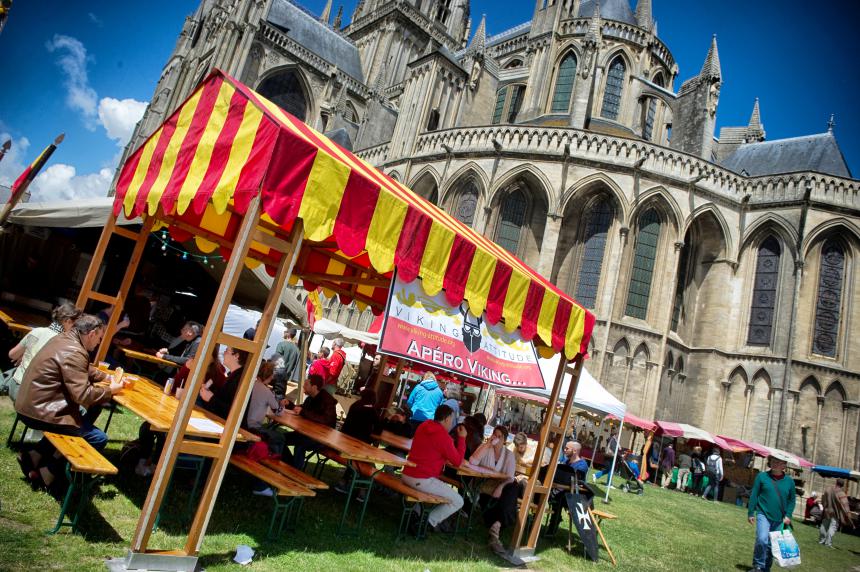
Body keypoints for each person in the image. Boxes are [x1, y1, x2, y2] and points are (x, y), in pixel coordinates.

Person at [15, 314, 127, 488]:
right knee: (98, 437)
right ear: (91, 333)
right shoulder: (75, 351)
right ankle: (49, 473)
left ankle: (34, 455)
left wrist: (106, 376)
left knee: (92, 412)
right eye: (99, 337)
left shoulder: (65, 339)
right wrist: (110, 390)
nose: (99, 342)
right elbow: (83, 395)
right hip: (41, 411)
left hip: (31, 404)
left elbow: (83, 368)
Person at [402, 404, 467, 534]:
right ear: (447, 419)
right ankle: (427, 522)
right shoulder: (444, 436)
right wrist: (462, 438)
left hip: (407, 473)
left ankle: (415, 516)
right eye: (452, 420)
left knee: (430, 490)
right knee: (458, 501)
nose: (452, 424)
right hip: (422, 478)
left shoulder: (424, 425)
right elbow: (458, 462)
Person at [6, 303, 81, 402]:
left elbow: (12, 354)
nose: (77, 329)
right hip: (32, 394)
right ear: (67, 321)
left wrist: (25, 354)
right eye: (75, 325)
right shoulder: (62, 342)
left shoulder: (37, 331)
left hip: (14, 386)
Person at [470, 425, 517, 553]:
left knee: (512, 487)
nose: (496, 438)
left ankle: (496, 526)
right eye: (494, 435)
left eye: (499, 436)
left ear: (504, 440)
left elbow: (510, 477)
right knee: (509, 498)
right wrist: (487, 445)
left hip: (501, 486)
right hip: (483, 483)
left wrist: (500, 487)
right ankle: (498, 525)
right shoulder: (485, 448)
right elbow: (473, 461)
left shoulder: (508, 455)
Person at [747, 456, 796, 572]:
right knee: (762, 539)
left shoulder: (789, 482)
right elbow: (754, 495)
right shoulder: (762, 477)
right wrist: (750, 513)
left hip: (780, 518)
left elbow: (792, 500)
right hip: (763, 513)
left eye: (779, 462)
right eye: (773, 461)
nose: (775, 464)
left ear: (784, 465)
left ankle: (766, 568)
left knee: (771, 545)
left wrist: (788, 515)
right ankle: (758, 565)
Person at [281, 374, 338, 469]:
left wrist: (303, 412)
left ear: (314, 387)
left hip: (320, 439)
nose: (303, 386)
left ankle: (294, 472)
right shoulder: (311, 398)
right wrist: (290, 405)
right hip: (306, 434)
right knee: (280, 438)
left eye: (306, 384)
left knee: (300, 446)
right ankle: (289, 466)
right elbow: (303, 409)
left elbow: (326, 420)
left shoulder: (327, 401)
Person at [820, 479, 853, 548]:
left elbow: (823, 499)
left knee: (824, 525)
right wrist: (848, 515)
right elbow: (845, 505)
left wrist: (825, 507)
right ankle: (828, 543)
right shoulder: (841, 493)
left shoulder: (828, 489)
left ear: (836, 482)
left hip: (827, 511)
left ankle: (822, 540)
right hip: (835, 513)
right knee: (832, 527)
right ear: (842, 485)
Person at [272, 328, 301, 399]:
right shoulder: (296, 349)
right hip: (286, 377)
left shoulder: (281, 344)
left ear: (288, 334)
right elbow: (294, 365)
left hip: (277, 375)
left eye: (285, 332)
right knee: (279, 397)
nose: (283, 333)